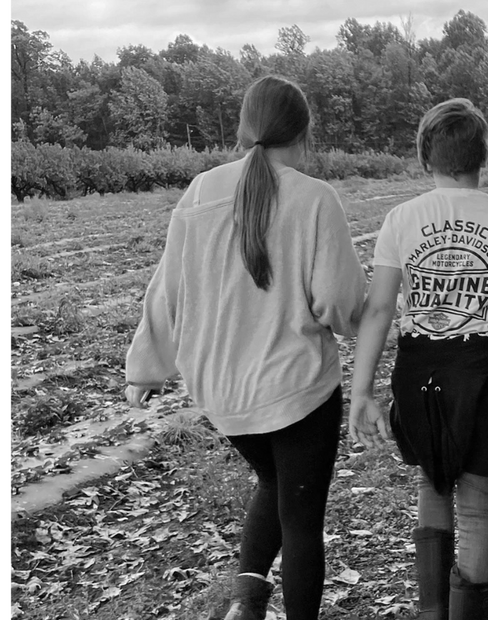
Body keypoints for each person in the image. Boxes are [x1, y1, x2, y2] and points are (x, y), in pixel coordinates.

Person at [124, 75, 367, 620]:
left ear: (244, 127)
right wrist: (372, 324)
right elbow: (337, 300)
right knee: (302, 520)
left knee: (273, 478)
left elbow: (168, 287)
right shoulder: (314, 197)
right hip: (296, 387)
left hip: (222, 392)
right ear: (304, 133)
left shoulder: (199, 191)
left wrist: (145, 368)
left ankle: (247, 603)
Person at [348, 98, 488, 620]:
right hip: (484, 366)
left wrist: (360, 392)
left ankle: (431, 612)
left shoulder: (401, 220)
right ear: (483, 156)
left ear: (425, 158)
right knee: (480, 504)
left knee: (432, 481)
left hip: (419, 367)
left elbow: (378, 310)